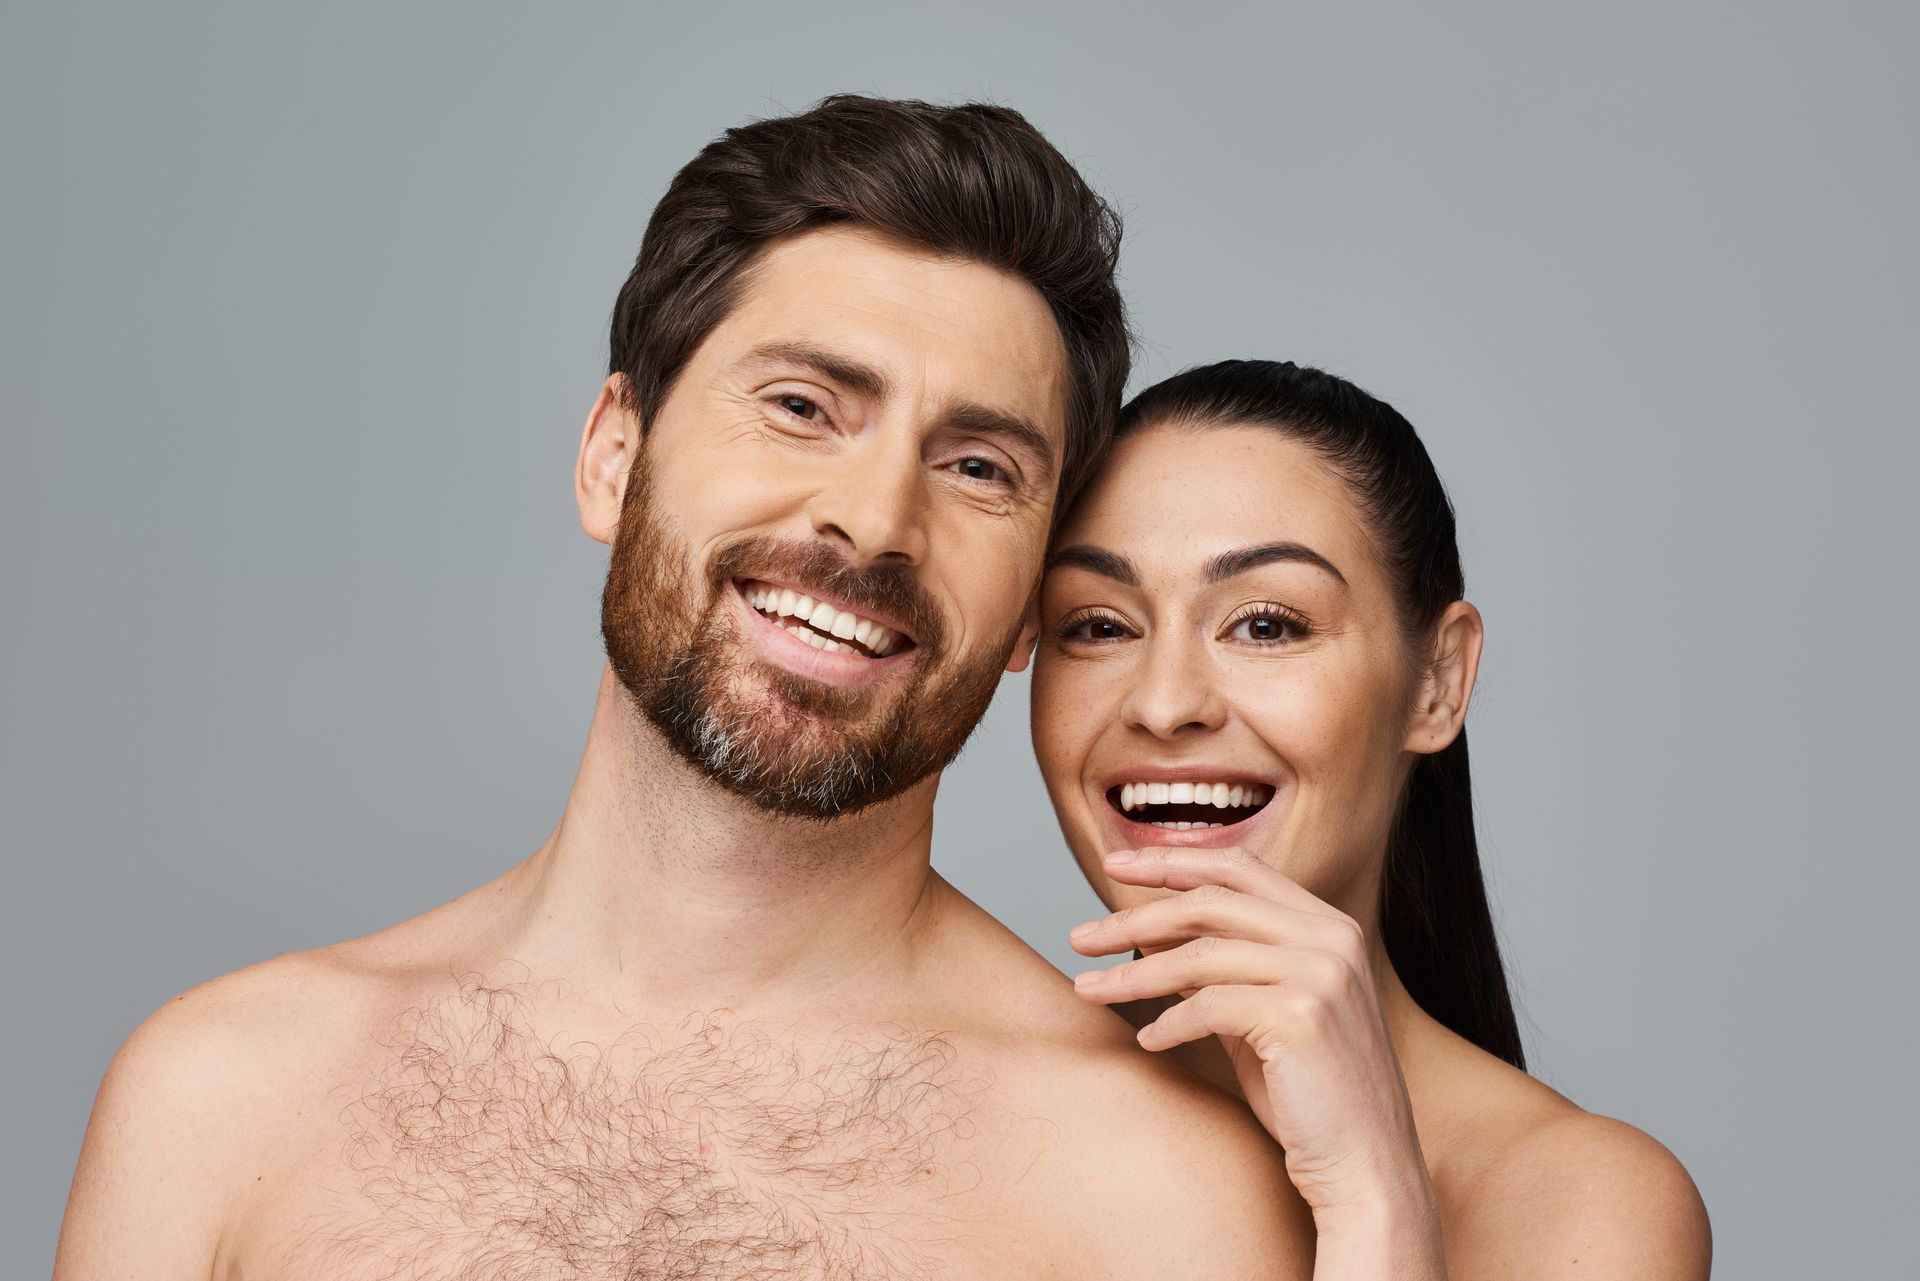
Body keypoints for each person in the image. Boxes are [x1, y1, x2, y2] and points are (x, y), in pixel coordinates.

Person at [52, 101, 1318, 1279]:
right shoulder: (217, 1102)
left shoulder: (1160, 1198)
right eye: (803, 405)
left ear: (1035, 598)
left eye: (979, 466)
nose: (875, 521)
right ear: (615, 456)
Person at [1031, 359, 1714, 1278]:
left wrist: (1373, 1197)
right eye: (1100, 625)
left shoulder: (1579, 1206)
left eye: (1266, 624)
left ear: (1438, 682)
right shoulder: (963, 1108)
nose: (1163, 703)